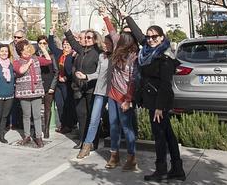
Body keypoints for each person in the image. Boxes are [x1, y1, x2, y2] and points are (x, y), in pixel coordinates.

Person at [125, 15, 186, 181]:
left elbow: (166, 85)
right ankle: (177, 169)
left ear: (162, 38)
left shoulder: (164, 57)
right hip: (152, 100)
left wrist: (159, 107)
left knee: (160, 137)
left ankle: (161, 170)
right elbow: (138, 35)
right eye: (149, 36)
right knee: (168, 135)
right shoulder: (147, 50)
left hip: (160, 103)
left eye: (154, 37)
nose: (150, 39)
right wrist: (127, 17)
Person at [76, 9, 116, 159]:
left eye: (108, 43)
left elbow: (114, 34)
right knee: (93, 119)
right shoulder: (102, 57)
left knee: (113, 121)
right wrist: (86, 76)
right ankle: (87, 146)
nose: (105, 45)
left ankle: (114, 152)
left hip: (114, 93)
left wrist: (106, 17)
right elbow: (98, 73)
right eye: (104, 43)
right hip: (99, 91)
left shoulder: (118, 56)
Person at [64, 27, 104, 149]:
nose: (86, 39)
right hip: (79, 88)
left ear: (95, 39)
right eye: (85, 37)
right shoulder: (81, 50)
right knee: (81, 115)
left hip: (91, 88)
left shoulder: (98, 53)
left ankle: (92, 142)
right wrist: (67, 30)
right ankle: (82, 140)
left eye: (89, 37)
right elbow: (73, 42)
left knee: (93, 116)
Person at [105, 32, 139, 171]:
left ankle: (131, 158)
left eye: (120, 40)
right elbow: (112, 33)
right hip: (112, 95)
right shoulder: (117, 51)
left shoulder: (134, 58)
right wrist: (105, 16)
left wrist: (128, 100)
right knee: (113, 127)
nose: (116, 41)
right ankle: (114, 156)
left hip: (124, 97)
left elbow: (133, 81)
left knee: (126, 127)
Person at [13, 41, 52, 148]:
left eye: (27, 48)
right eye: (23, 50)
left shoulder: (36, 59)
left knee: (37, 115)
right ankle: (27, 136)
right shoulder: (17, 61)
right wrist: (29, 63)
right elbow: (21, 70)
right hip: (24, 93)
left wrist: (44, 49)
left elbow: (48, 61)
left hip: (36, 91)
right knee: (26, 116)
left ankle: (38, 136)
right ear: (19, 52)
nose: (26, 51)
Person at [48, 32, 75, 134]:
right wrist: (51, 34)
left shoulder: (73, 56)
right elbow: (51, 45)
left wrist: (67, 78)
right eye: (64, 44)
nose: (65, 46)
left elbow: (73, 70)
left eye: (68, 45)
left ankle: (69, 125)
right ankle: (63, 125)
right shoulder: (60, 54)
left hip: (67, 84)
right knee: (59, 104)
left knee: (68, 105)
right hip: (58, 84)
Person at [35, 35, 55, 139]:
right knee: (37, 107)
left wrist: (52, 86)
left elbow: (56, 72)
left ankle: (46, 129)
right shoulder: (35, 55)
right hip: (38, 84)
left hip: (49, 84)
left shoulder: (51, 55)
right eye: (40, 43)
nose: (42, 45)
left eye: (44, 43)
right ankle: (37, 128)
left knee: (47, 107)